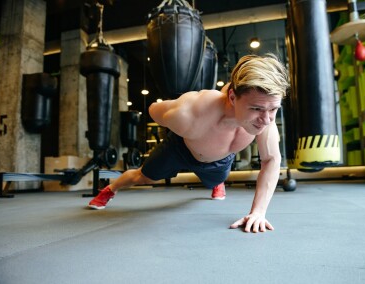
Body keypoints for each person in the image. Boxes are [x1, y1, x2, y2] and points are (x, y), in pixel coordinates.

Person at [88, 53, 289, 233]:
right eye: (257, 109)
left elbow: (271, 159)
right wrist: (178, 119)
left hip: (219, 161)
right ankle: (109, 190)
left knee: (213, 181)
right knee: (143, 177)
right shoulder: (190, 113)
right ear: (232, 97)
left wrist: (258, 213)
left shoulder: (265, 121)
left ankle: (217, 183)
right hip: (180, 148)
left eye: (273, 109)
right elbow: (153, 109)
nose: (267, 119)